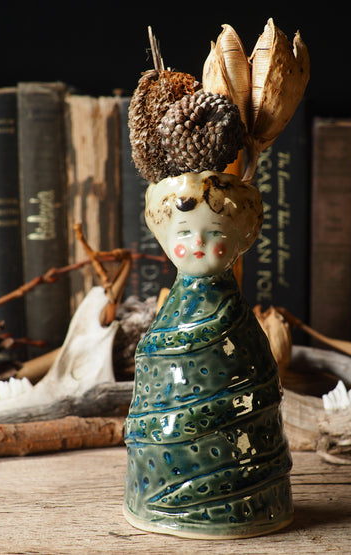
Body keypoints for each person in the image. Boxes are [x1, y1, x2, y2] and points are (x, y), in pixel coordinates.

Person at [123, 171, 293, 538]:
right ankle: (157, 504)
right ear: (164, 239)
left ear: (242, 238)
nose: (198, 243)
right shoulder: (170, 320)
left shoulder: (239, 324)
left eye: (215, 233)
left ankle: (252, 501)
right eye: (184, 233)